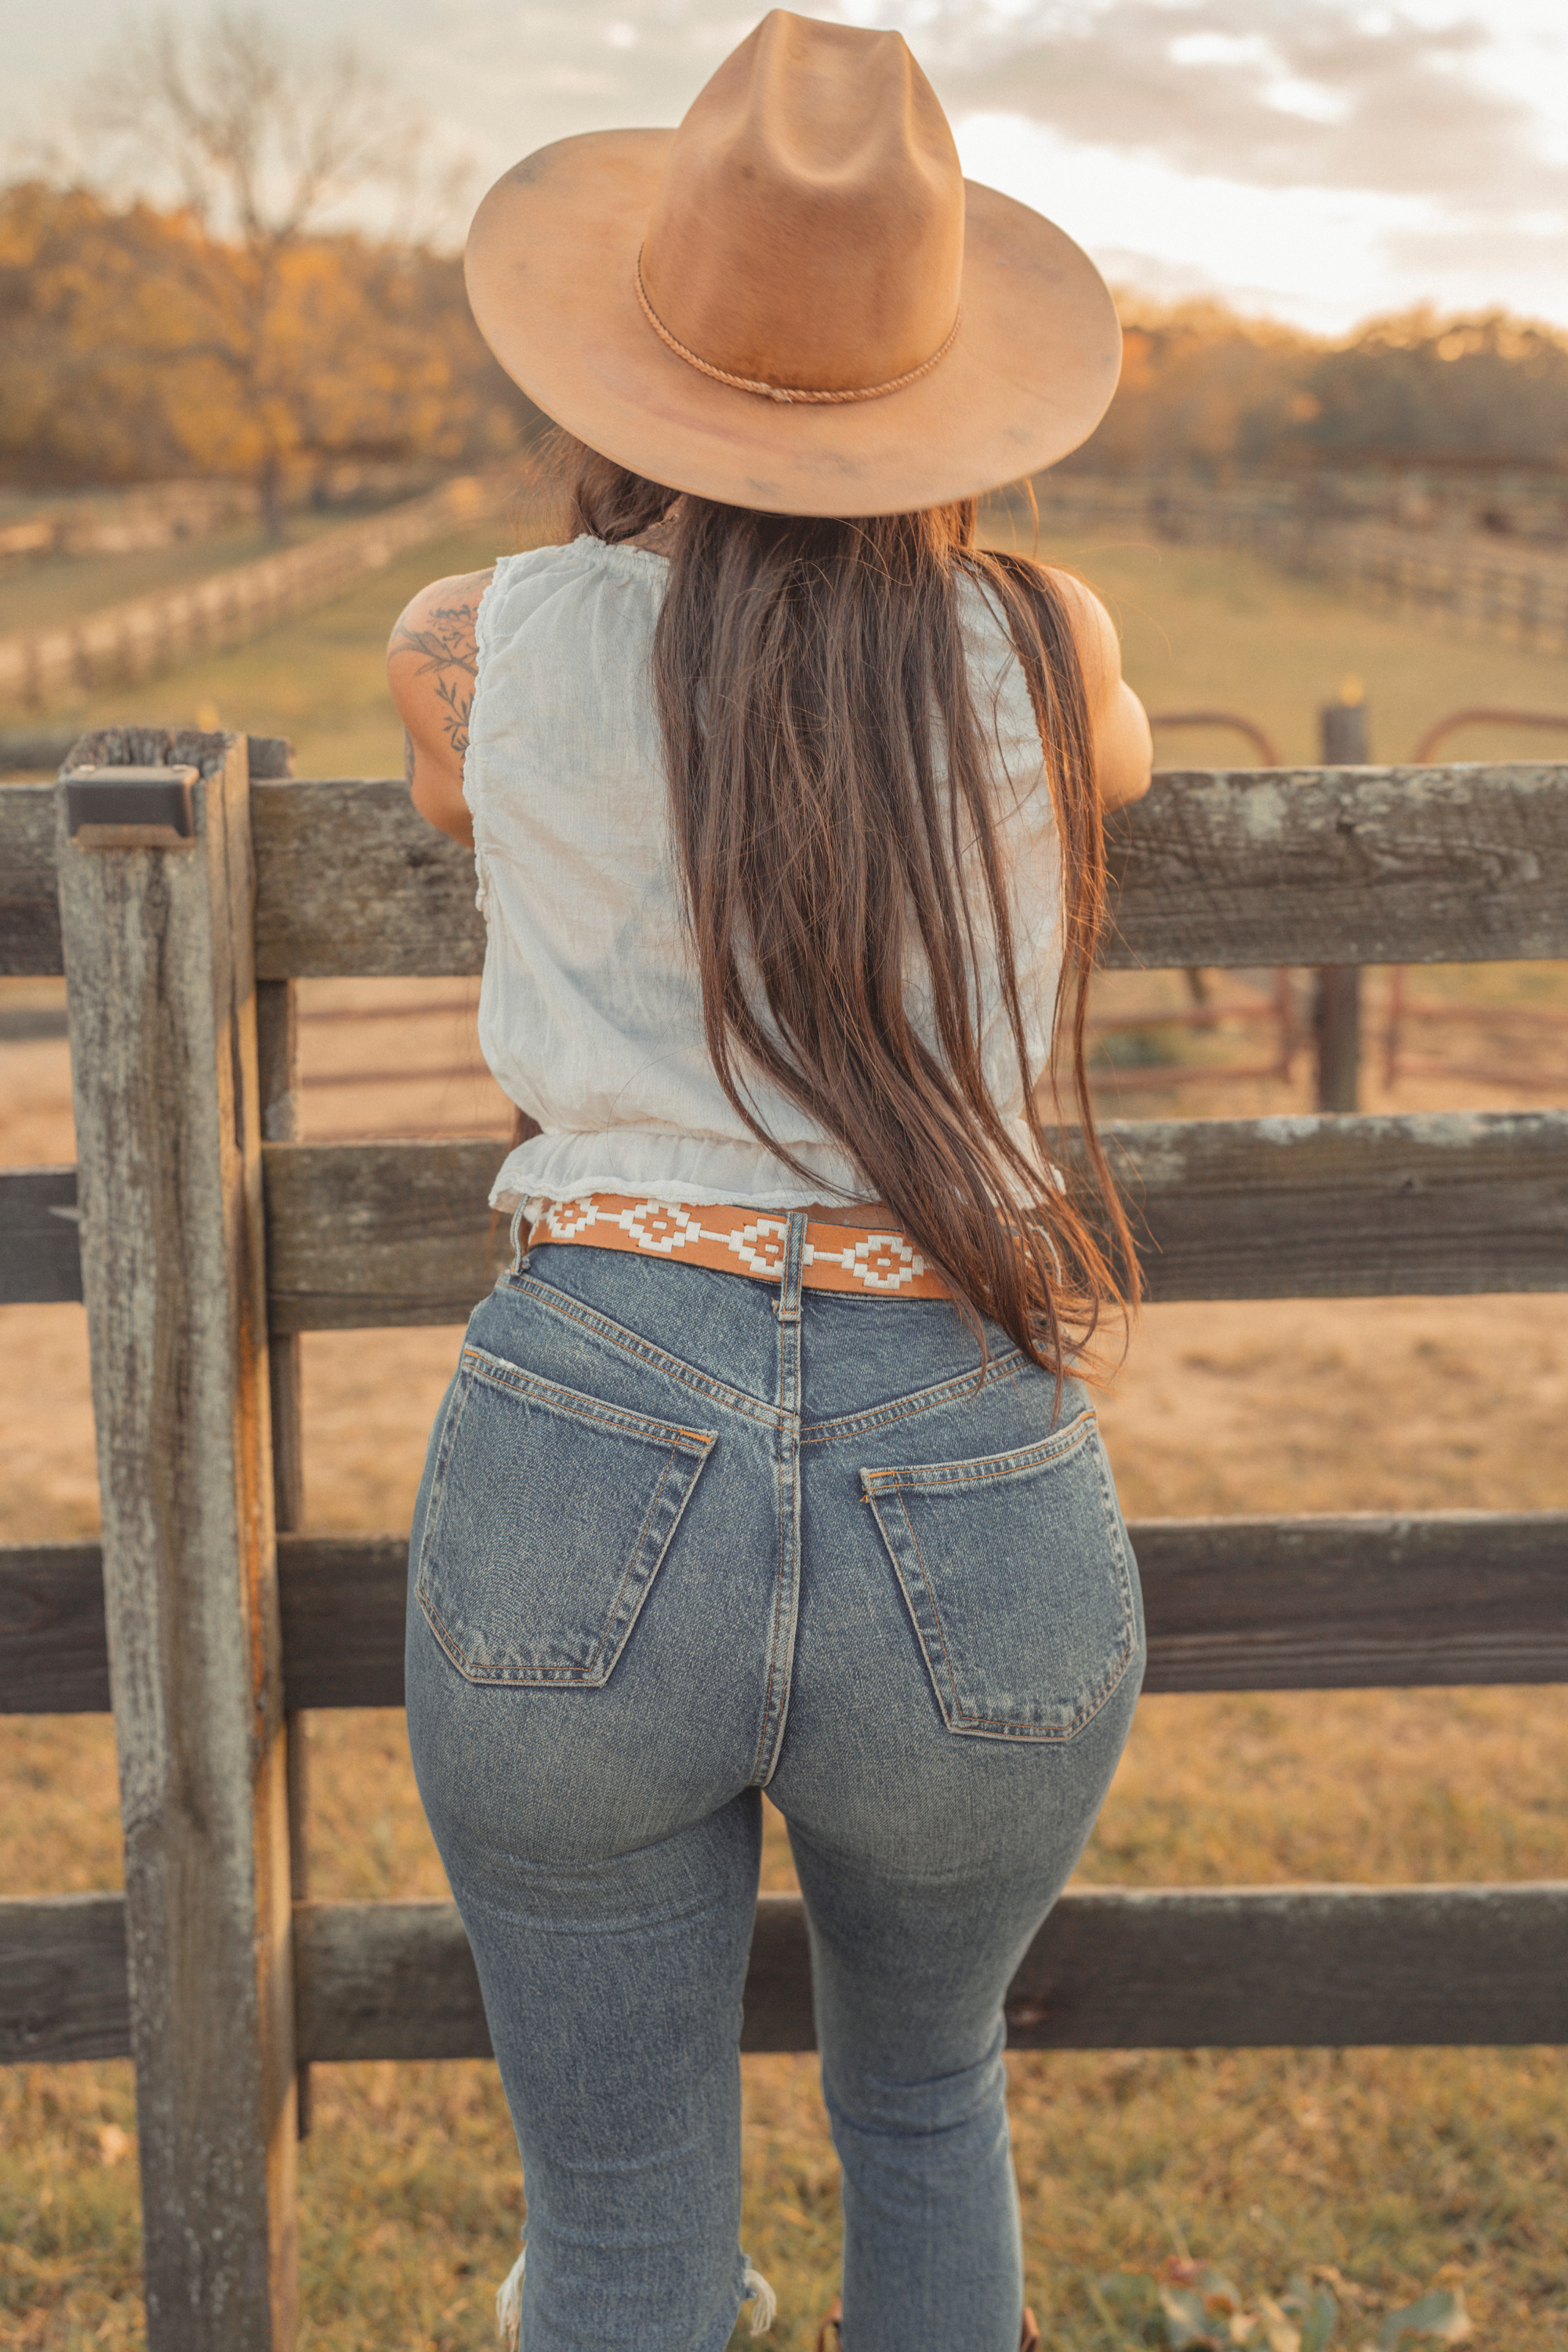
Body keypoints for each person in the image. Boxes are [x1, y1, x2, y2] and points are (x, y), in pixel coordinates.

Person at [389, 14, 1152, 2350]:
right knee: (925, 2110)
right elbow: (1096, 755)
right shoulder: (1043, 649)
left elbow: (475, 783)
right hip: (972, 1460)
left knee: (615, 2233)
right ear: (950, 392)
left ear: (629, 367)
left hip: (588, 1415)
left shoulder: (476, 638)